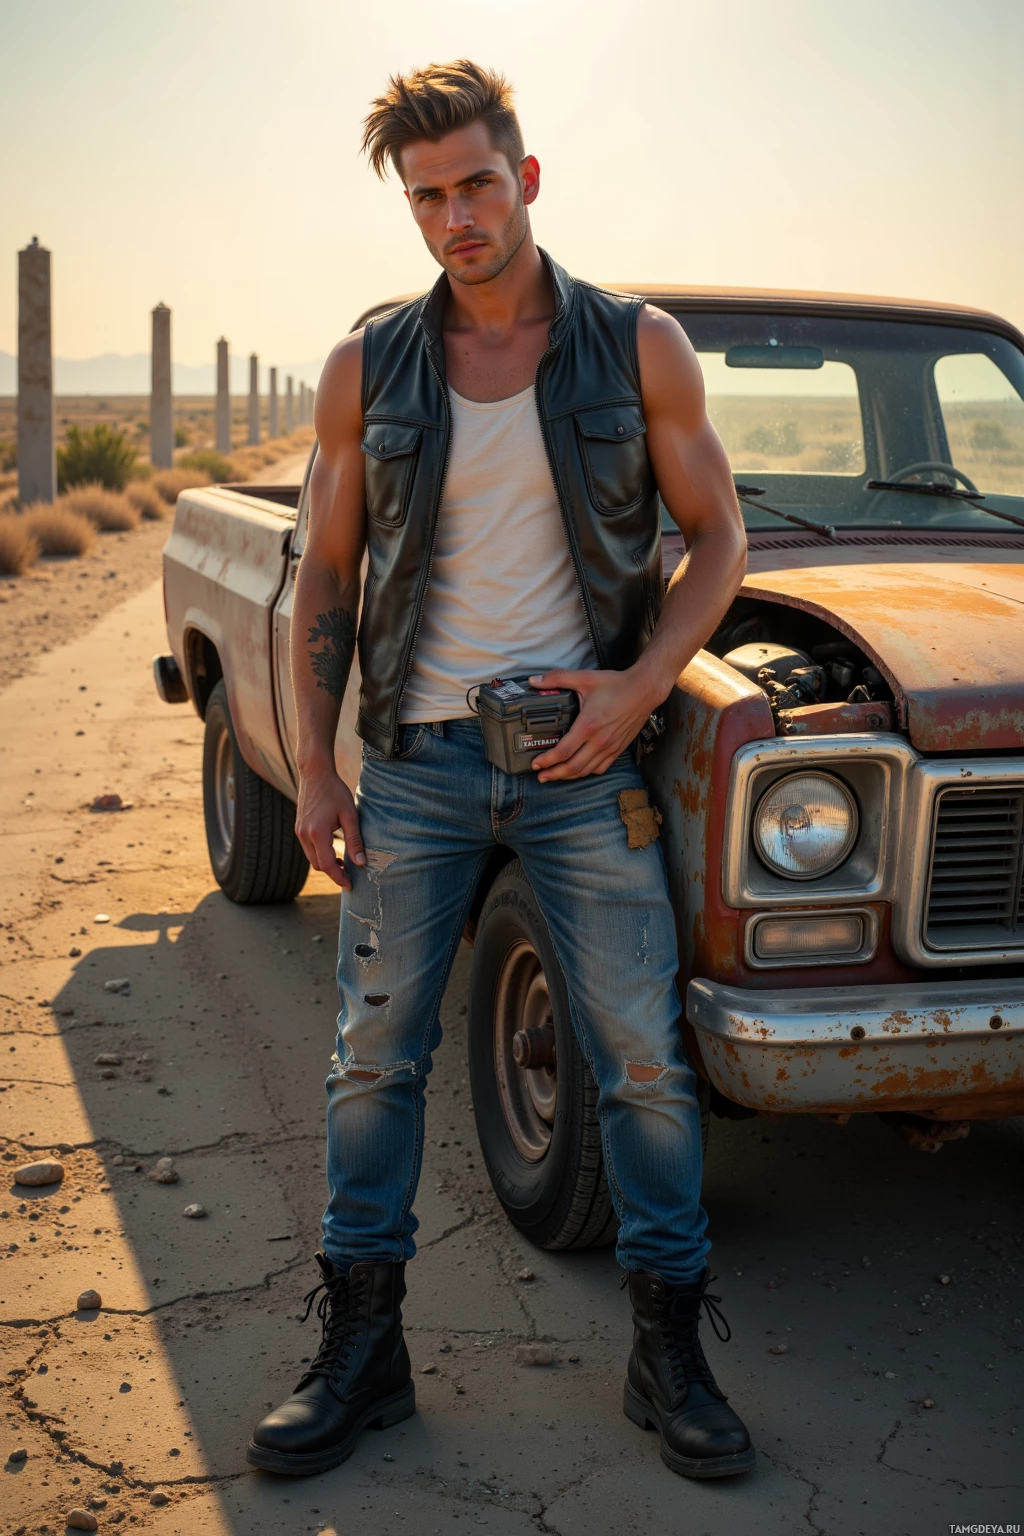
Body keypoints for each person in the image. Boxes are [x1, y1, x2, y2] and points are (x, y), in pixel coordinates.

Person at [248, 58, 753, 1482]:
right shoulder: (370, 368)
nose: (455, 216)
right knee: (371, 1063)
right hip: (413, 762)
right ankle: (366, 1346)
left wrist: (645, 683)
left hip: (582, 754)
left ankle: (669, 1350)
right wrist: (320, 770)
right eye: (427, 197)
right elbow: (330, 576)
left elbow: (718, 539)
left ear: (524, 180)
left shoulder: (635, 345)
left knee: (645, 1063)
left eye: (475, 184)